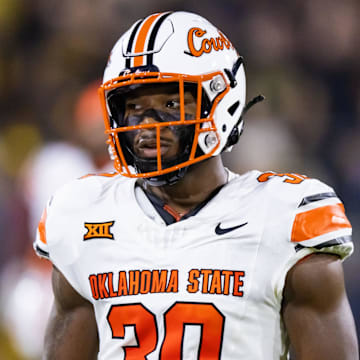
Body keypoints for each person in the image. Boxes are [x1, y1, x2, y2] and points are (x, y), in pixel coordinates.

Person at [34, 11, 358, 359]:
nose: (147, 122)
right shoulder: (83, 214)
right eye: (134, 106)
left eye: (170, 103)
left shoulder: (285, 216)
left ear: (221, 100)